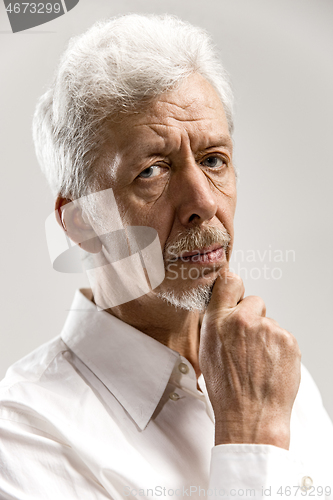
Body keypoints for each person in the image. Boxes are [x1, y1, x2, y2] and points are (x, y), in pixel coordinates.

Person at [0, 13, 332, 500]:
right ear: (83, 224)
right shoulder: (26, 437)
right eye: (152, 171)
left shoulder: (277, 372)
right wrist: (247, 433)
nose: (204, 202)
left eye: (214, 159)